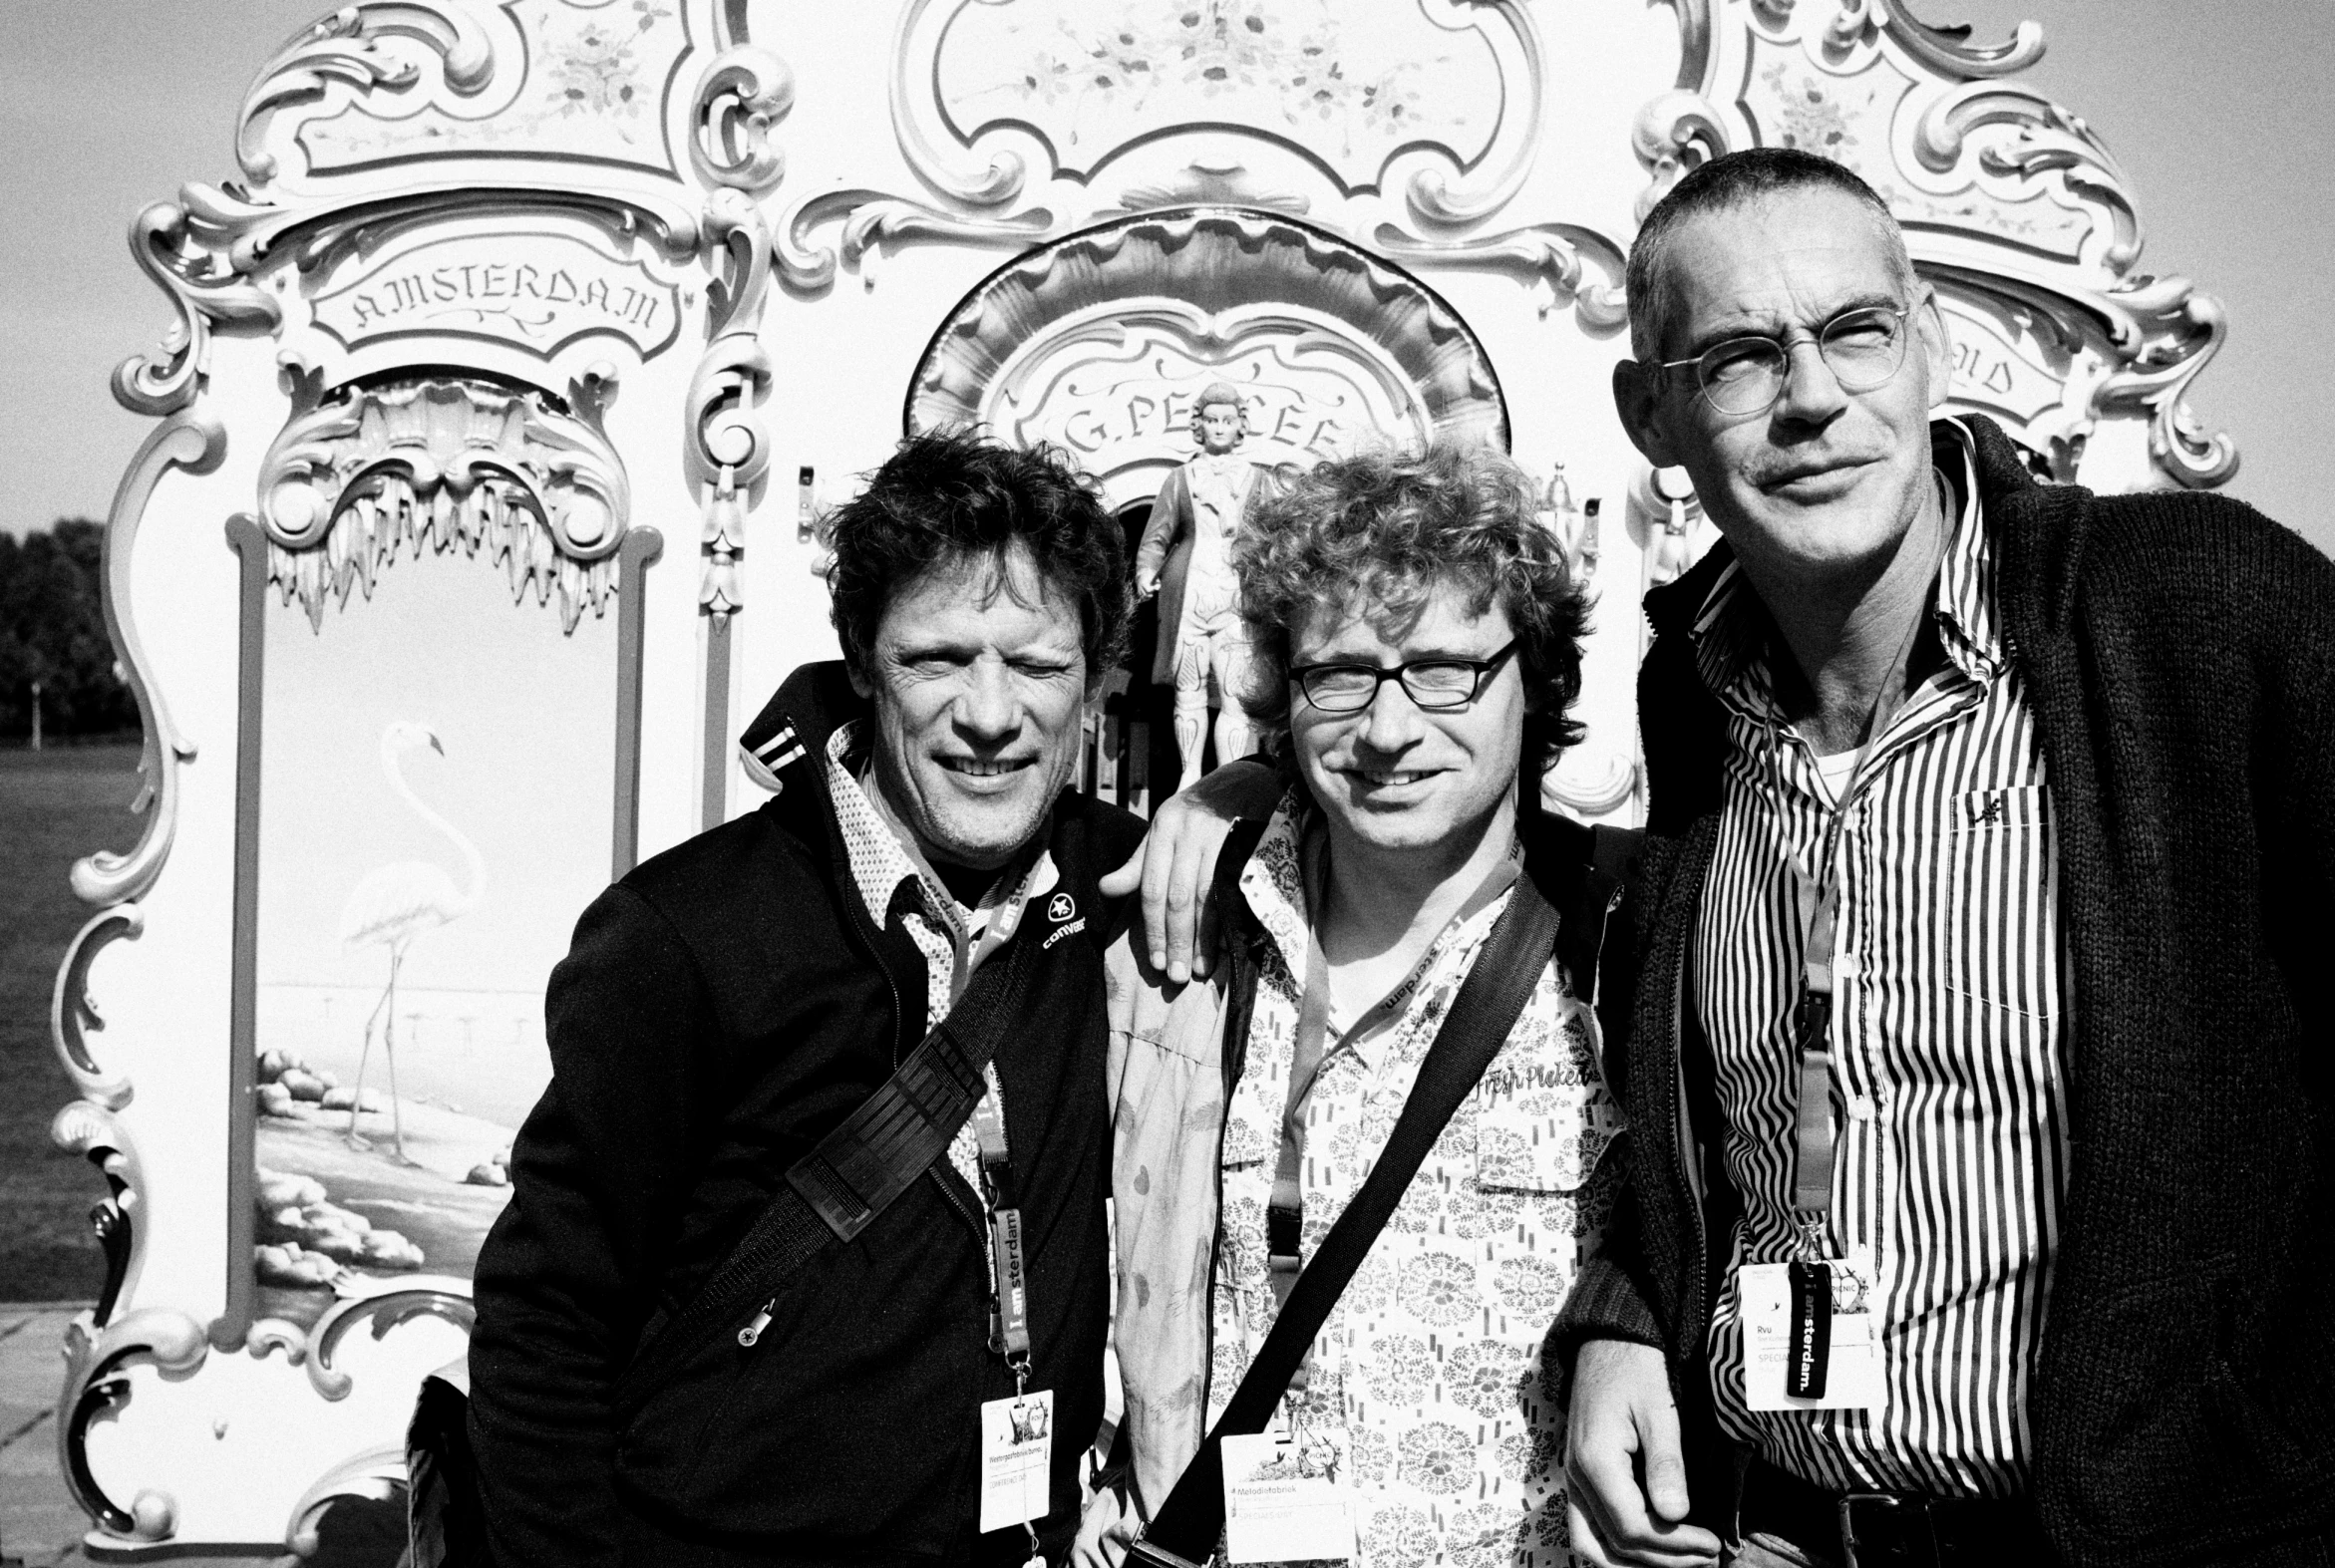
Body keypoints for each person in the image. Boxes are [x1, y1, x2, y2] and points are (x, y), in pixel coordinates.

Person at [1551, 148, 2335, 1568]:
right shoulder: (1696, 704)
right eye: (1736, 357)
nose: (1810, 399)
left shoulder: (2198, 615)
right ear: (1649, 412)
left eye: (1854, 331)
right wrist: (1624, 1313)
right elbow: (1699, 1138)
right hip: (1780, 1531)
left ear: (1926, 343)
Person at [466, 431, 1146, 1565]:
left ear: (1093, 678)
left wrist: (1237, 788)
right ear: (864, 662)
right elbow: (545, 1326)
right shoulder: (685, 934)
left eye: (1035, 665)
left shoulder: (1118, 890)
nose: (989, 714)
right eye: (937, 658)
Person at [1083, 443, 1633, 1567]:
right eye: (1339, 674)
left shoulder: (1625, 944)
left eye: (1442, 670)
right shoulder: (1185, 940)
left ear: (1533, 681)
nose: (1386, 731)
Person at [1138, 382, 1274, 791]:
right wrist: (1146, 570)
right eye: (1211, 420)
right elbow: (1157, 536)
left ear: (1239, 426)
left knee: (1234, 692)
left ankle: (1229, 775)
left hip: (1236, 597)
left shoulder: (1258, 480)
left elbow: (1272, 538)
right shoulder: (1180, 479)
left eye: (1227, 420)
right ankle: (1190, 774)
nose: (1219, 428)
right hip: (1191, 597)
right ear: (1200, 425)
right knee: (1190, 690)